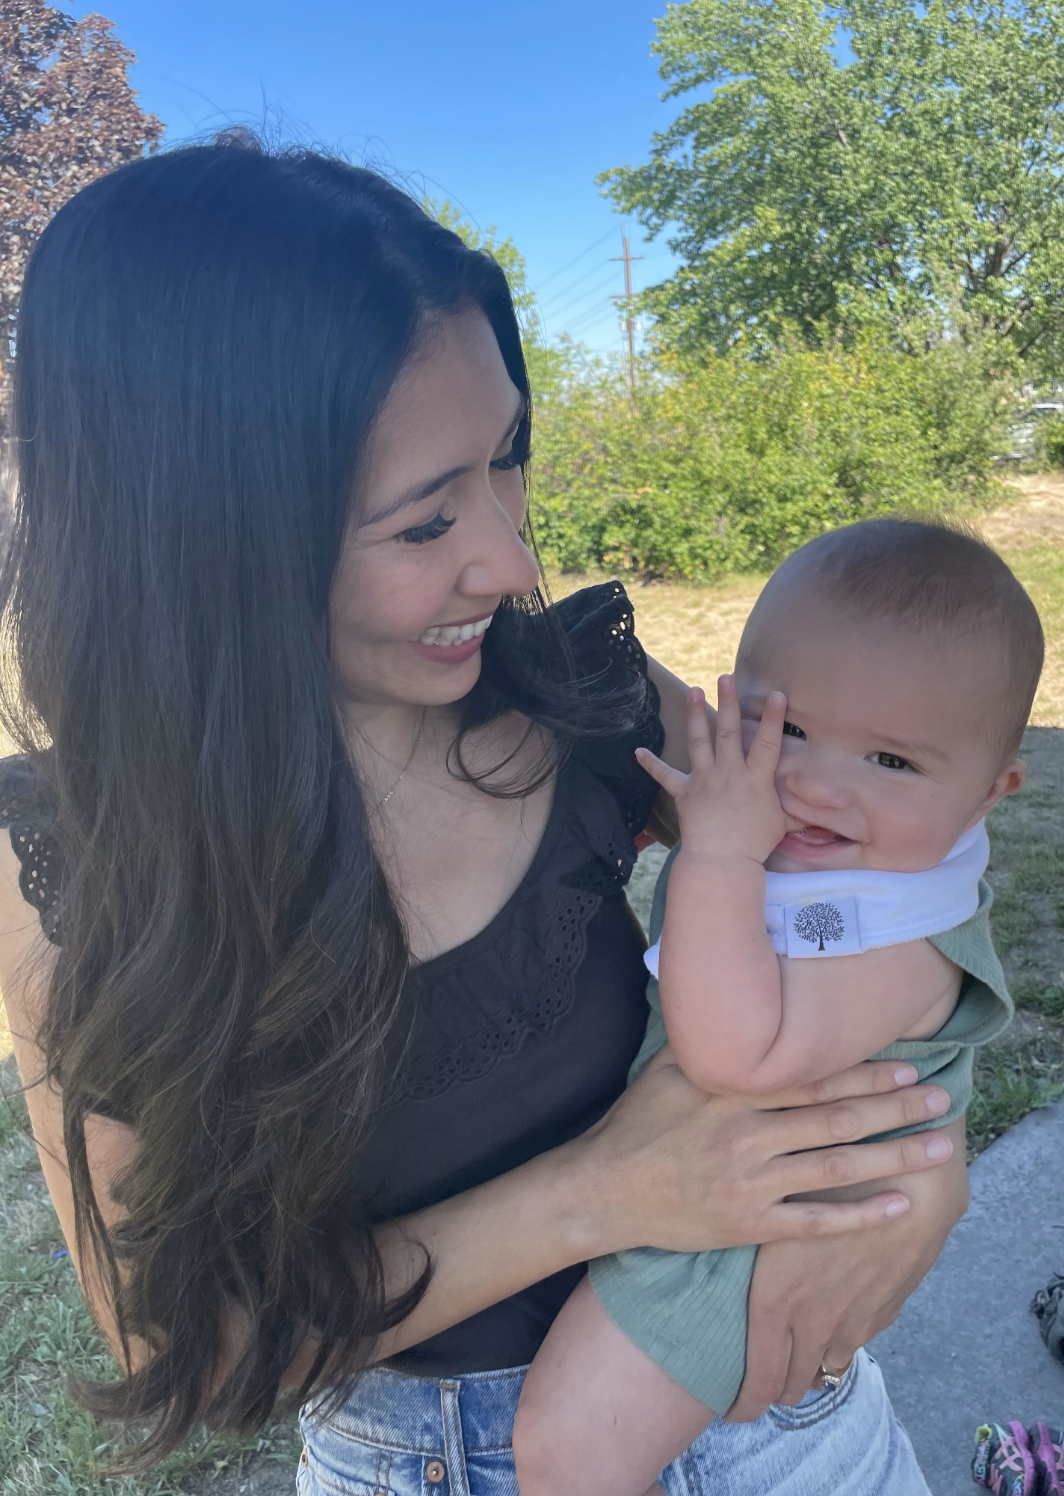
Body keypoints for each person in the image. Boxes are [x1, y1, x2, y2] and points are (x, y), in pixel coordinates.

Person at [0, 137, 964, 1496]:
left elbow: (901, 855)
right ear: (208, 535)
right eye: (421, 522)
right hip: (438, 1461)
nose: (511, 559)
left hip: (783, 1405)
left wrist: (926, 1165)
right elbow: (191, 1352)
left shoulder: (580, 693)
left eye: (505, 458)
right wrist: (601, 1191)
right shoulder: (72, 871)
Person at [513, 521, 1042, 1496]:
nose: (812, 783)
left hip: (750, 1246)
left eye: (890, 761)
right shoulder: (861, 864)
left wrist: (718, 852)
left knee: (565, 1449)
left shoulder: (894, 935)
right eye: (785, 729)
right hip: (717, 1183)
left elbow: (733, 1056)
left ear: (987, 795)